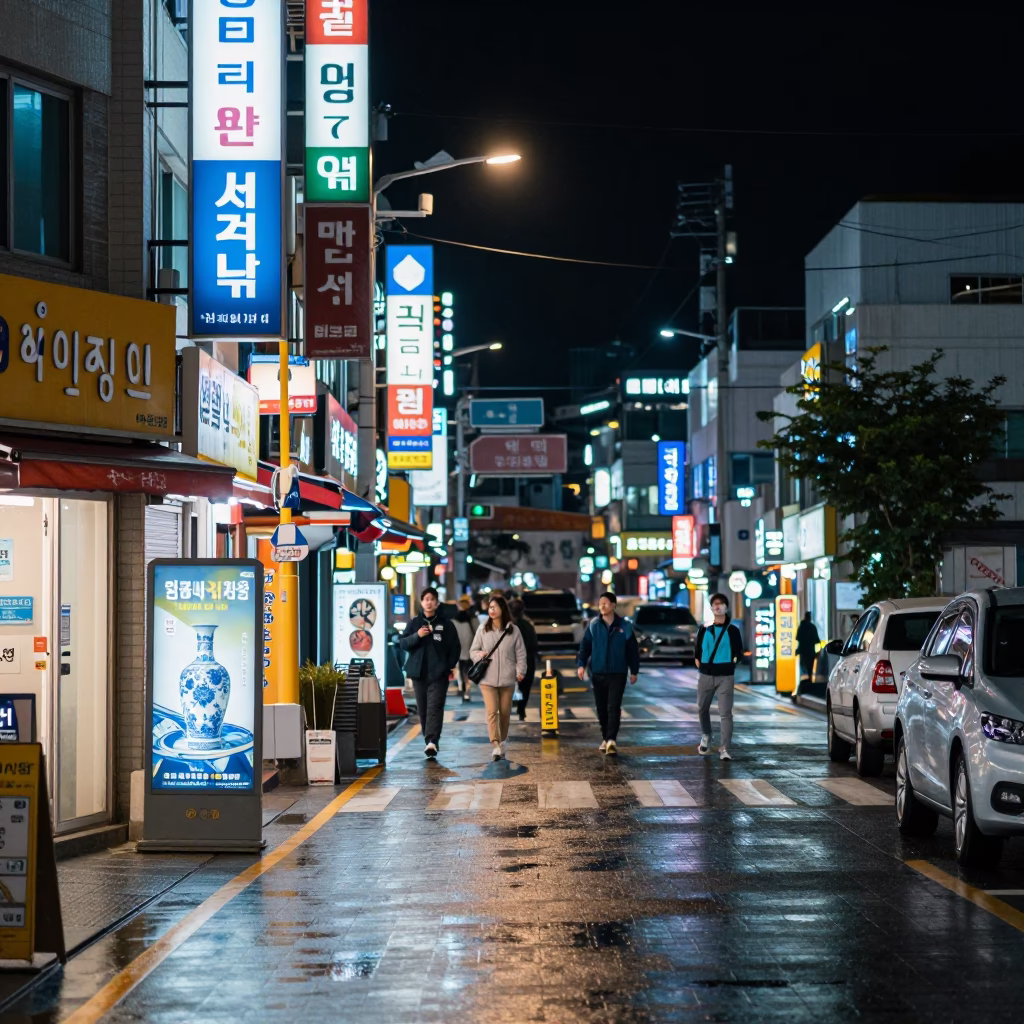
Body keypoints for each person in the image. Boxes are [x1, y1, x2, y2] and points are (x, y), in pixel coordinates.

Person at [400, 586, 461, 759]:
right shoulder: (414, 623)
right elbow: (403, 644)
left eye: (432, 599)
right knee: (423, 709)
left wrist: (449, 666)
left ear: (437, 602)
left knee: (435, 707)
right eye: (426, 599)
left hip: (438, 674)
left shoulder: (446, 624)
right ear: (421, 602)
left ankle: (432, 740)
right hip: (418, 674)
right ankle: (429, 741)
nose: (429, 602)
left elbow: (455, 647)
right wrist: (417, 635)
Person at [576, 591, 639, 756]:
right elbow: (585, 647)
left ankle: (611, 740)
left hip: (618, 673)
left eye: (605, 603)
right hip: (597, 672)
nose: (602, 606)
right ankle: (606, 737)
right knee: (601, 708)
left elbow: (632, 650)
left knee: (613, 706)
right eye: (600, 603)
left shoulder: (624, 626)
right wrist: (581, 665)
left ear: (613, 605)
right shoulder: (594, 625)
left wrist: (634, 670)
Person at [470, 594, 527, 761]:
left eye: (495, 607)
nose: (491, 610)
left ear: (503, 609)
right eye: (490, 607)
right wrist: (479, 654)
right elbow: (473, 651)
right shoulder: (483, 629)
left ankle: (502, 741)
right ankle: (495, 743)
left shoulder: (513, 630)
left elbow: (521, 653)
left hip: (507, 678)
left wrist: (520, 671)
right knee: (492, 711)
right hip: (487, 678)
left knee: (504, 712)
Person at [694, 592, 744, 761]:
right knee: (702, 708)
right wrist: (700, 663)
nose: (718, 606)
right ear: (711, 608)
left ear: (726, 608)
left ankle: (725, 748)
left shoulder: (733, 630)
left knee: (725, 713)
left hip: (725, 676)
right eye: (715, 604)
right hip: (706, 675)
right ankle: (707, 735)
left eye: (721, 603)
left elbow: (739, 652)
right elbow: (697, 650)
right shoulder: (704, 628)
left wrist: (732, 662)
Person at [508, 597, 538, 720]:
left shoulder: (507, 626)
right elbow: (534, 644)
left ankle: (514, 704)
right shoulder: (527, 625)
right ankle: (521, 709)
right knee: (525, 685)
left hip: (511, 660)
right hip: (527, 660)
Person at [453, 595, 477, 703]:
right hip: (470, 647)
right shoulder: (473, 618)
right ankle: (466, 691)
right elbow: (478, 633)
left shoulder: (454, 619)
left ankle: (461, 687)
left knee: (460, 669)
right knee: (467, 670)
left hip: (458, 648)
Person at [795, 611, 821, 684]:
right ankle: (809, 682)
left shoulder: (801, 627)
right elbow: (817, 641)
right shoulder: (812, 627)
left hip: (803, 652)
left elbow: (797, 639)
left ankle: (803, 683)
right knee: (810, 668)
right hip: (811, 652)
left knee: (803, 668)